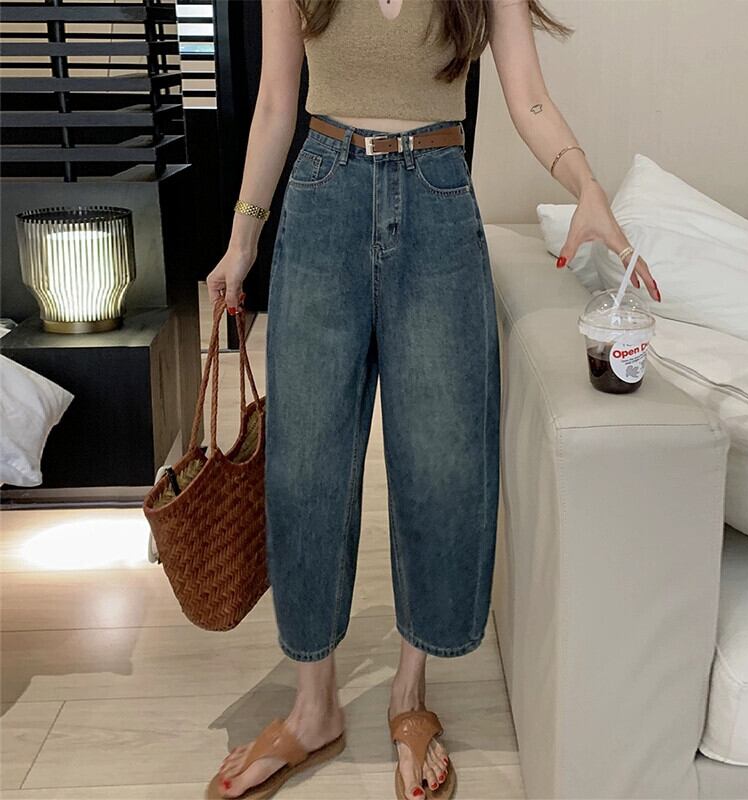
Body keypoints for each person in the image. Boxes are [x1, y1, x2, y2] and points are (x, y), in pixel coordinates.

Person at [205, 1, 660, 798]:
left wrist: (586, 184)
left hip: (437, 196)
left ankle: (410, 692)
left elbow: (528, 97)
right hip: (323, 192)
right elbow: (277, 99)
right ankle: (314, 707)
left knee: (442, 461)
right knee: (306, 463)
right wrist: (242, 242)